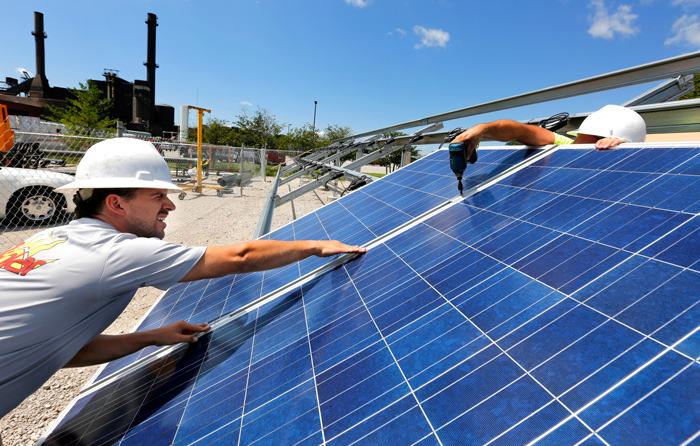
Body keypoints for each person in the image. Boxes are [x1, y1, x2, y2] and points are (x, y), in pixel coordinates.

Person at [0, 138, 365, 419]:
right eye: (158, 195)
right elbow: (241, 258)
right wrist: (316, 245)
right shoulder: (116, 252)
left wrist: (149, 337)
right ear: (116, 203)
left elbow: (59, 349)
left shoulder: (47, 239)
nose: (171, 205)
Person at [452, 104, 647, 157]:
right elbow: (521, 132)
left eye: (585, 141)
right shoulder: (568, 147)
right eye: (577, 138)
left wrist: (624, 154)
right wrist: (484, 129)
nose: (575, 144)